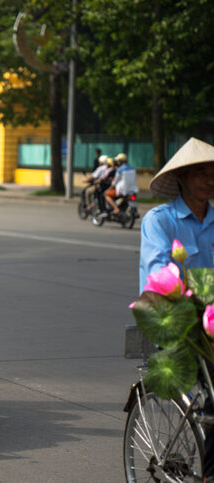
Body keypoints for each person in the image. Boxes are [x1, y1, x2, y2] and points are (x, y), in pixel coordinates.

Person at [139, 137, 214, 479]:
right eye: (201, 173)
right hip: (176, 321)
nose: (209, 180)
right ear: (182, 177)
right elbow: (158, 273)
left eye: (213, 173)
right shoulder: (160, 221)